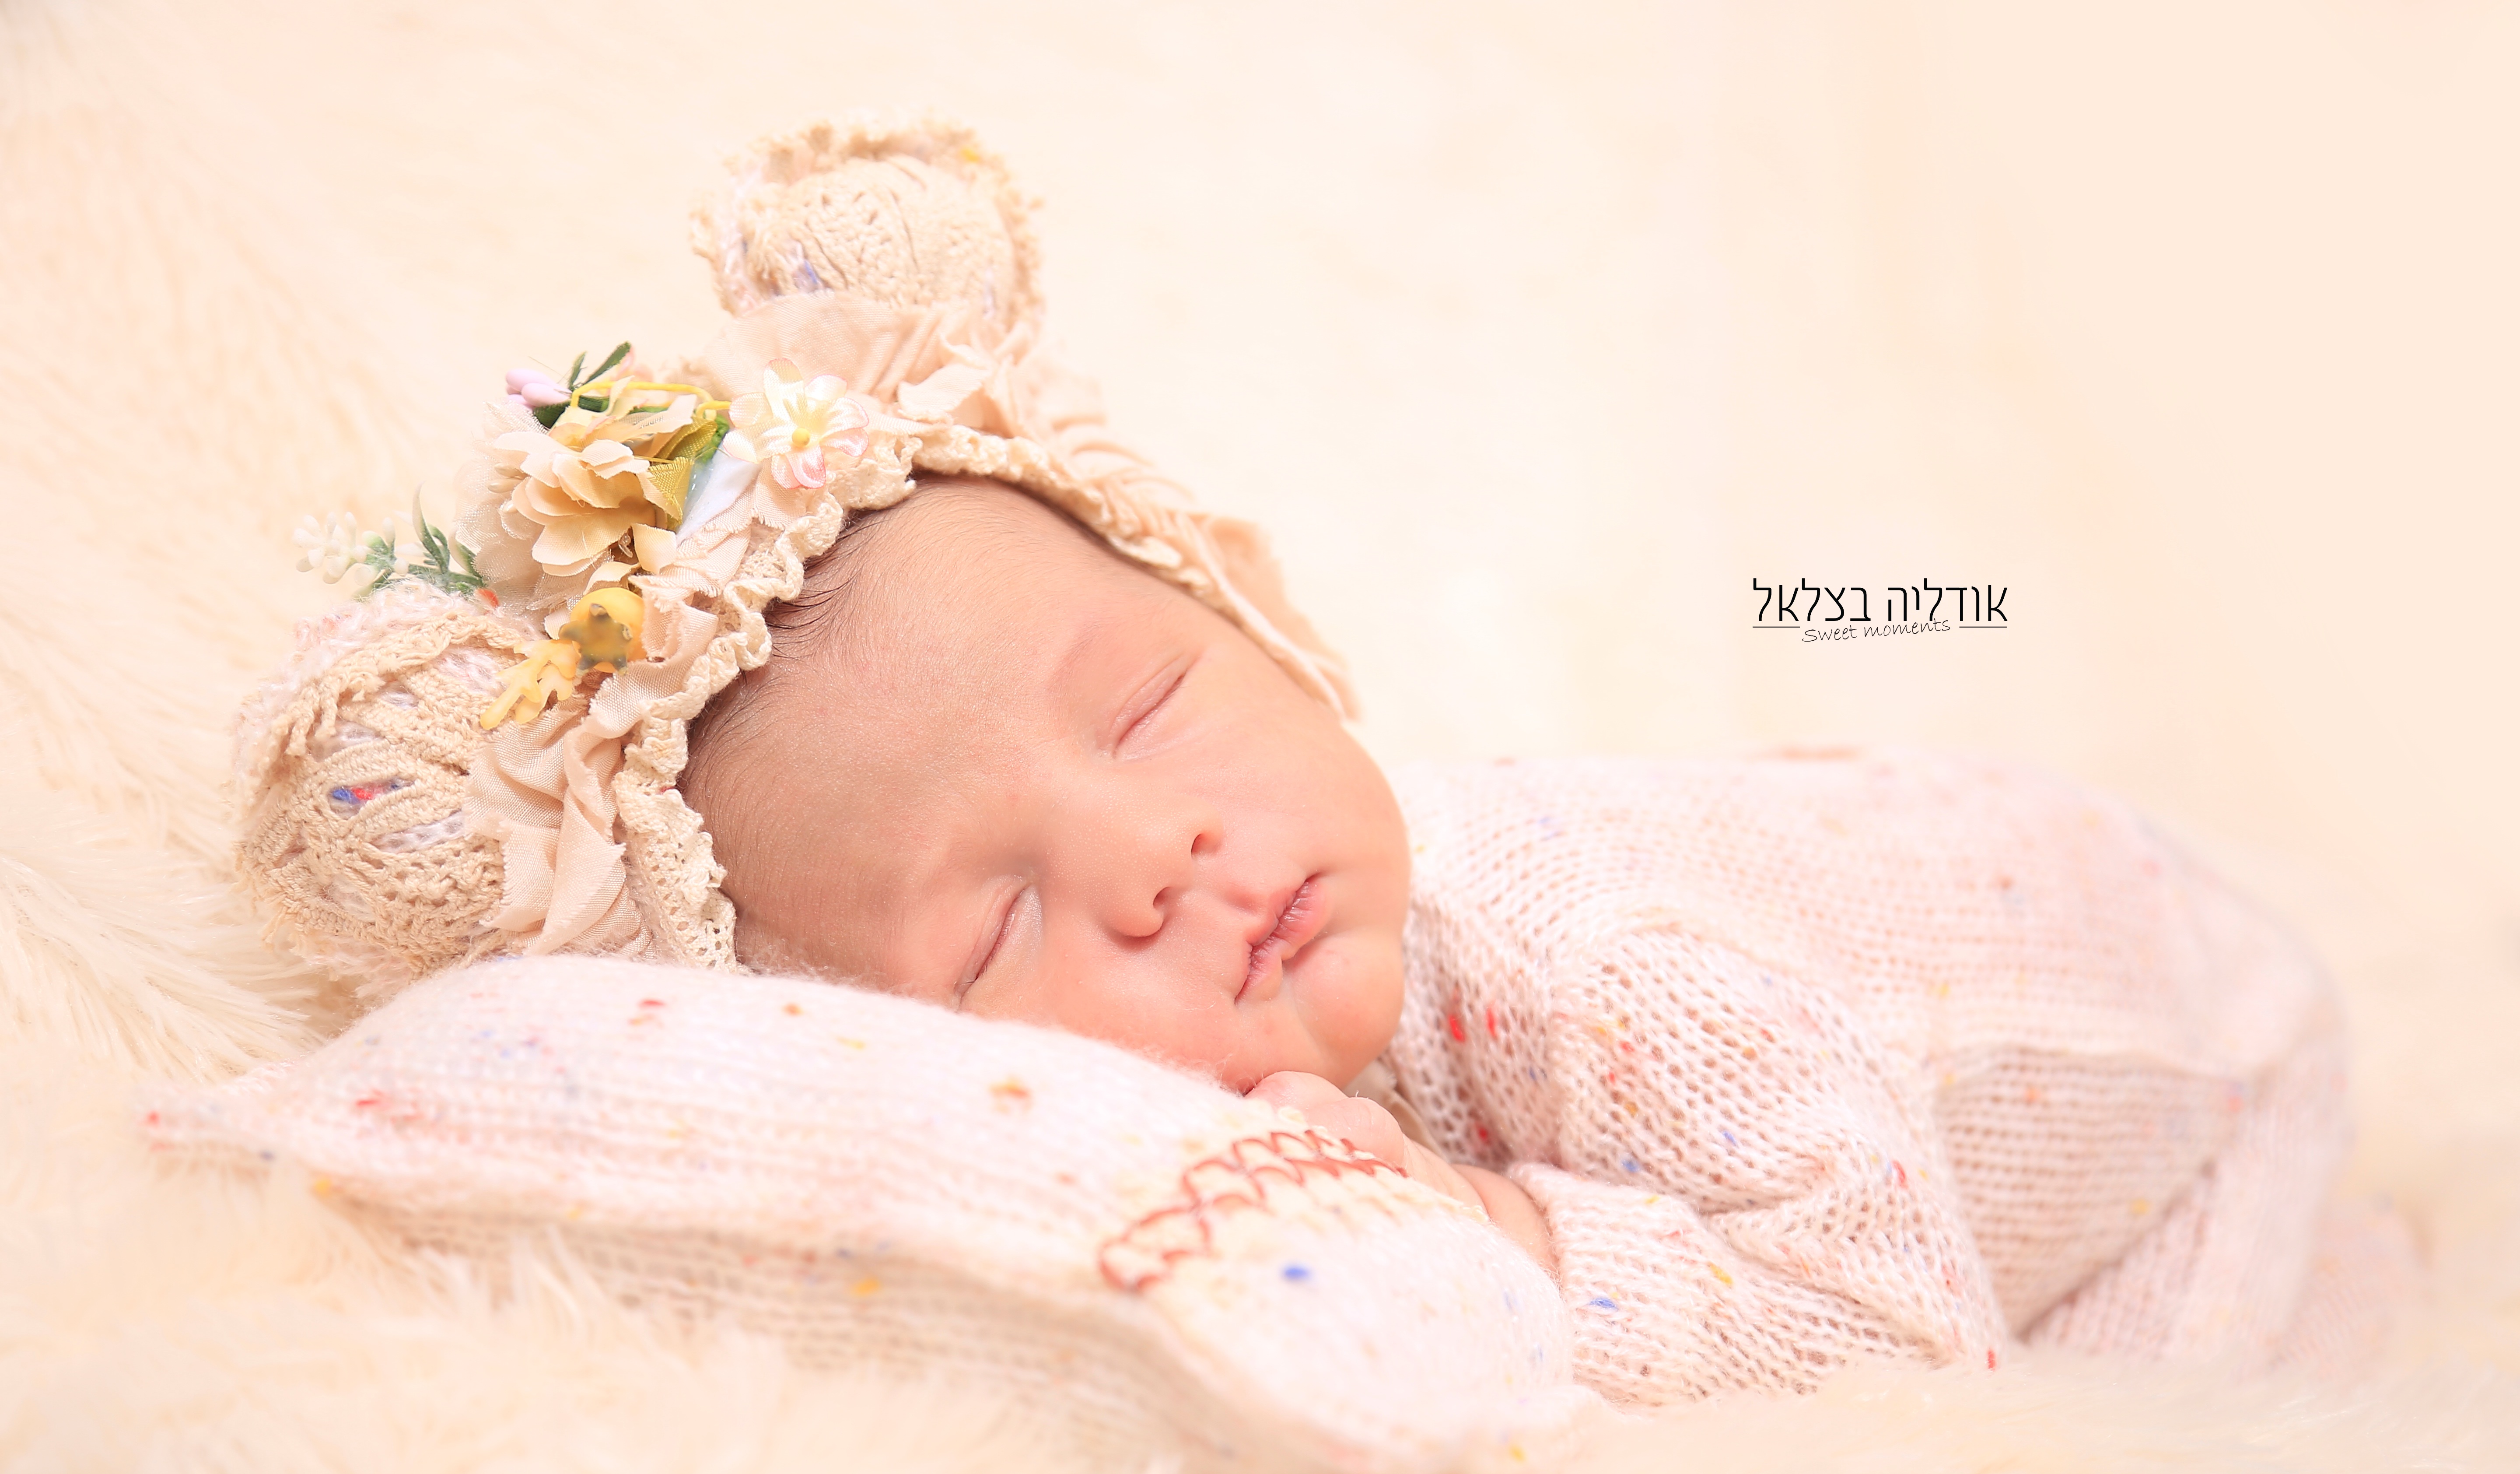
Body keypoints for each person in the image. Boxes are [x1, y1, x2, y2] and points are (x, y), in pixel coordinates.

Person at [233, 113, 2379, 1406]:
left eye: (1147, 710)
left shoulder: (1602, 970)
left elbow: (1906, 1360)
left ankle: (2370, 1268)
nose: (1150, 855)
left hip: (2201, 1022)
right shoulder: (1235, 1035)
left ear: (1259, 631)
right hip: (1909, 962)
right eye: (999, 925)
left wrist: (1514, 1239)